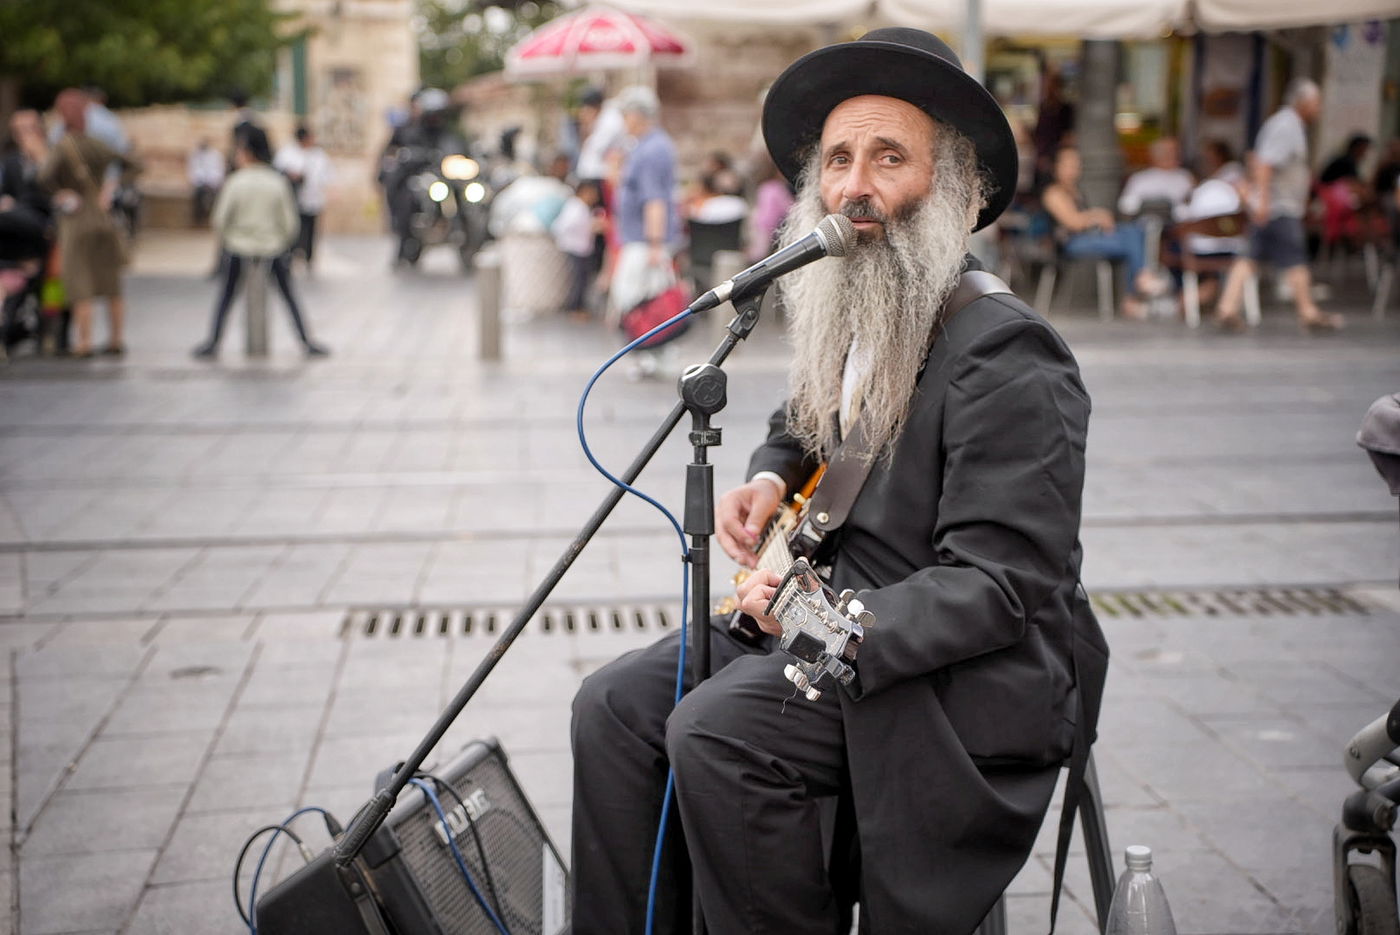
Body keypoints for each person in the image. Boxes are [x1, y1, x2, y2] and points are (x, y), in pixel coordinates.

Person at [570, 26, 1100, 934]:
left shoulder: (1010, 352)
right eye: (839, 159)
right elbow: (808, 418)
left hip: (943, 679)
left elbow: (1003, 584)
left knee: (717, 731)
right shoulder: (871, 308)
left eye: (890, 157)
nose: (856, 185)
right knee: (613, 707)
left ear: (954, 186)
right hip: (825, 626)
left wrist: (811, 616)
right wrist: (769, 477)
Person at [1216, 78, 1342, 332]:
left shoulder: (1287, 124)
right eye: (1316, 102)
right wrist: (1263, 202)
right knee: (1295, 258)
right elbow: (1264, 163)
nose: (1319, 108)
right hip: (1278, 206)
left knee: (1250, 257)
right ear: (1303, 102)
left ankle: (1227, 308)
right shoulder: (1286, 125)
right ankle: (1308, 312)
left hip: (1274, 205)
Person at [193, 126, 328, 359]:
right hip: (272, 248)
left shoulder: (236, 182)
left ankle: (213, 342)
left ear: (246, 152)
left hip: (238, 247)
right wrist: (278, 241)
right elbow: (290, 223)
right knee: (288, 295)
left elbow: (220, 220)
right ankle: (306, 341)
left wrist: (234, 238)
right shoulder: (277, 182)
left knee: (226, 296)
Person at [37, 88, 141, 358]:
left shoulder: (63, 144)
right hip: (103, 216)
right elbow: (133, 164)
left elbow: (44, 177)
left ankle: (84, 342)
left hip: (77, 219)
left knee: (80, 281)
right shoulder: (97, 143)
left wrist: (62, 193)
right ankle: (116, 338)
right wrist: (112, 185)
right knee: (111, 282)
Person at [607, 86, 680, 372]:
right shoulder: (644, 146)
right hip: (640, 237)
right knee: (644, 298)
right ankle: (650, 356)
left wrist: (655, 243)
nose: (623, 121)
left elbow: (655, 200)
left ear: (637, 115)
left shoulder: (652, 150)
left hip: (645, 240)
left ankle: (651, 356)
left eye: (625, 114)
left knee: (642, 300)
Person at [1042, 145, 1159, 318]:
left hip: (1089, 237)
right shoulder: (1053, 193)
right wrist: (1098, 215)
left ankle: (1139, 282)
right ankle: (1137, 287)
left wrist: (1099, 220)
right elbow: (1073, 223)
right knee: (1130, 241)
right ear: (1056, 167)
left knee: (1133, 231)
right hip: (1070, 244)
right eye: (1069, 164)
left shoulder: (1076, 191)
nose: (1074, 169)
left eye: (1076, 164)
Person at [274, 126, 334, 271]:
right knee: (295, 228)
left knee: (311, 229)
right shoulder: (287, 153)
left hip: (313, 198)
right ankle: (292, 255)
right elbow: (278, 171)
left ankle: (308, 257)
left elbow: (327, 175)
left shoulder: (319, 155)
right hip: (293, 200)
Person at [551, 179, 603, 320]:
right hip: (575, 248)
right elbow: (565, 226)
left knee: (582, 279)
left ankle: (578, 307)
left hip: (582, 248)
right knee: (578, 280)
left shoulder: (582, 207)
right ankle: (575, 308)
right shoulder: (575, 207)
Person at [1118, 136, 1195, 216]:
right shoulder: (1139, 179)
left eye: (1177, 151)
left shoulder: (1185, 176)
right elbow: (1126, 206)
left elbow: (1194, 203)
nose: (1177, 155)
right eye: (1170, 152)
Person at [187, 138, 225, 227]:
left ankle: (213, 218)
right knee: (198, 195)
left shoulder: (215, 155)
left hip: (213, 183)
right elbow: (193, 172)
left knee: (216, 197)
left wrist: (211, 182)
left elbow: (218, 171)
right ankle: (198, 219)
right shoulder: (195, 155)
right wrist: (201, 181)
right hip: (200, 183)